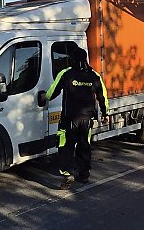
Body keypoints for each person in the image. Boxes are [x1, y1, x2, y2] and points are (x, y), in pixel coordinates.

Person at [46, 47, 109, 190]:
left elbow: (51, 93)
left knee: (65, 146)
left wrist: (44, 97)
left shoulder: (66, 73)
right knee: (84, 145)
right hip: (87, 120)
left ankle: (68, 174)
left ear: (72, 59)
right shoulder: (94, 76)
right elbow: (103, 96)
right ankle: (84, 174)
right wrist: (105, 113)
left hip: (69, 119)